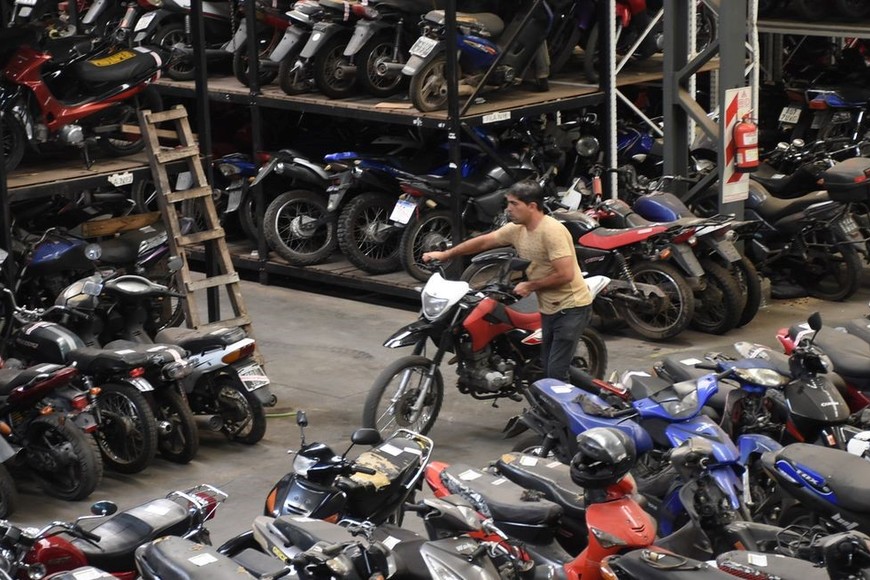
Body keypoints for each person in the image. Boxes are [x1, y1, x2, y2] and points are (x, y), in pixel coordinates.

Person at [422, 179, 592, 382]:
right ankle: (600, 392)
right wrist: (446, 254)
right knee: (550, 364)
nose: (508, 209)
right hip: (549, 307)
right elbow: (484, 241)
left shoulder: (551, 231)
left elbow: (565, 274)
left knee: (554, 372)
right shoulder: (518, 229)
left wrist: (530, 285)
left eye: (514, 204)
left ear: (532, 206)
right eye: (508, 203)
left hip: (571, 307)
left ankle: (563, 411)